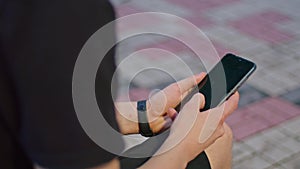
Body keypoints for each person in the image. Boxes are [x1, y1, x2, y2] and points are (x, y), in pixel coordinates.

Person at [0, 0, 239, 169]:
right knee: (213, 142)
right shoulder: (63, 12)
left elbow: (33, 108)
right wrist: (182, 146)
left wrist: (144, 114)